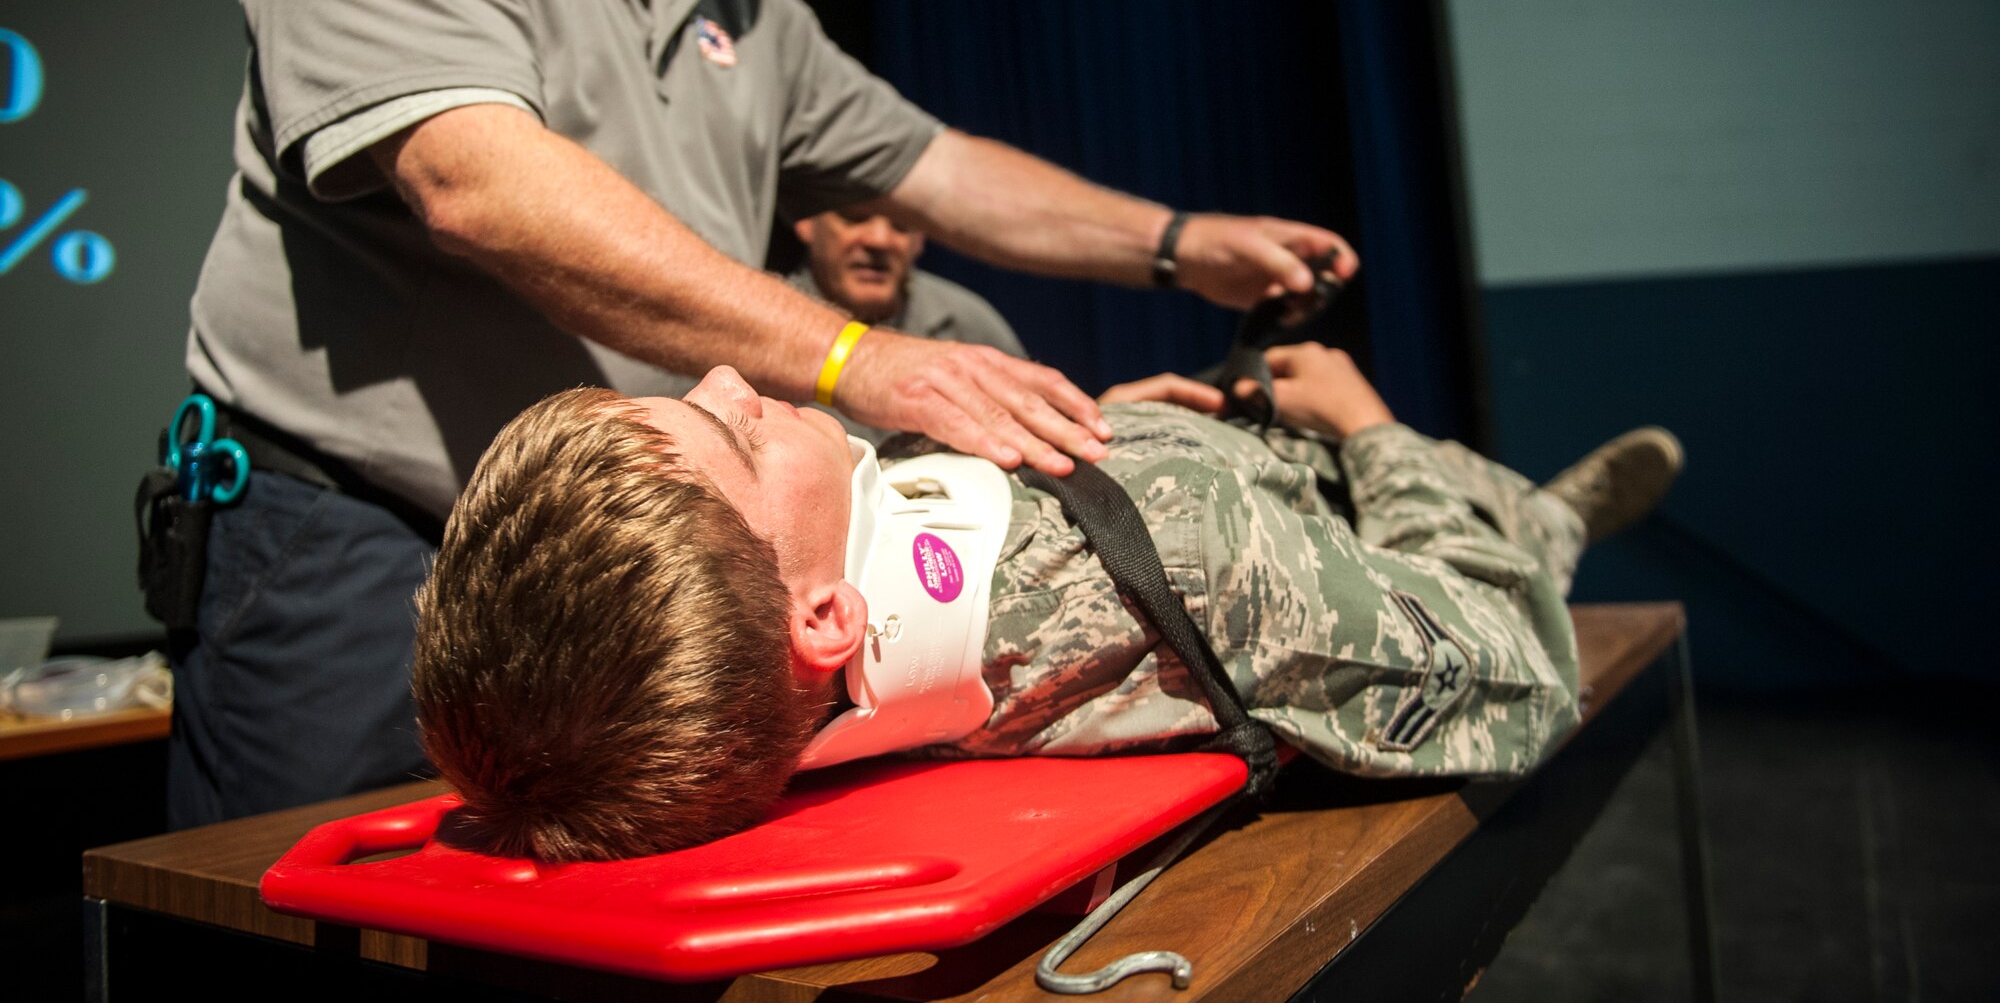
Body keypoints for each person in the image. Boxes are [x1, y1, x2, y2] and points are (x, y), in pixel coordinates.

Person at [167, 0, 1354, 828]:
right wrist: (851, 358)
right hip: (364, 542)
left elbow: (936, 168)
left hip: (632, 584)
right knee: (309, 907)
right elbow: (476, 181)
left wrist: (1177, 244)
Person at [411, 344, 1683, 861]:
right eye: (731, 433)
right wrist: (1366, 420)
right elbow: (1516, 661)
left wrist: (1111, 434)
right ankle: (1546, 517)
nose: (734, 371)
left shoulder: (797, 632)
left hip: (1188, 486)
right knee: (1493, 527)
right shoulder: (1208, 559)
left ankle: (1530, 499)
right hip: (1341, 520)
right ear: (824, 622)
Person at [785, 208, 1027, 442]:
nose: (879, 240)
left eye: (902, 222)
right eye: (855, 216)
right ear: (806, 220)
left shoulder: (969, 322)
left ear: (921, 236)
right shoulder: (764, 333)